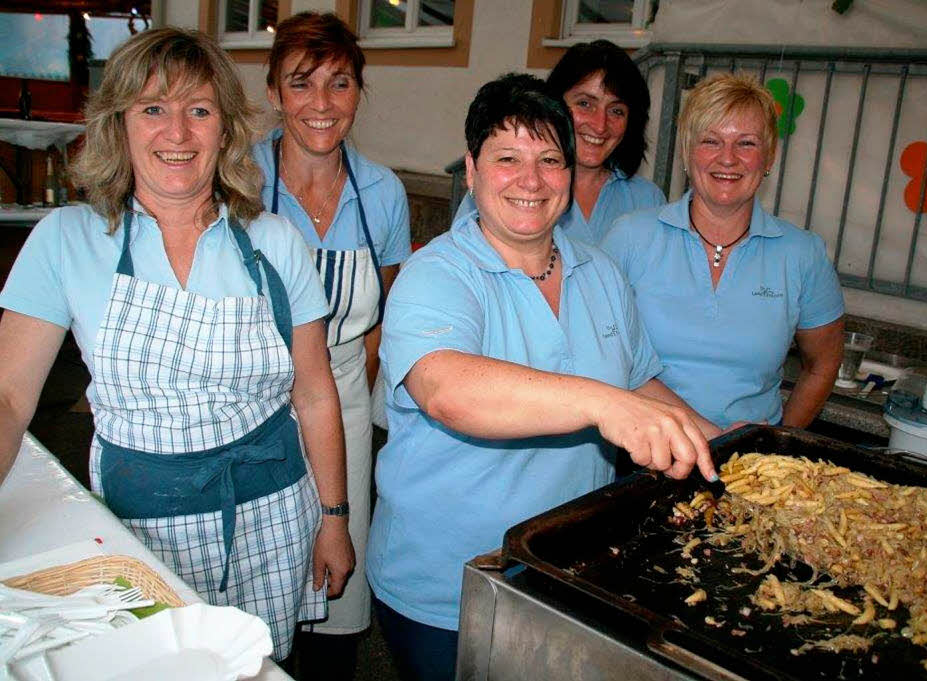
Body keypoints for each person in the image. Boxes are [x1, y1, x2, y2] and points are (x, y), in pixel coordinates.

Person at [0, 28, 353, 660]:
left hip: (273, 512)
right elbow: (7, 395)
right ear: (120, 124)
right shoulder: (67, 239)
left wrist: (334, 518)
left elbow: (316, 393)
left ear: (225, 128)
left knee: (255, 664)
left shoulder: (274, 242)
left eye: (199, 110)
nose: (178, 133)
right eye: (153, 109)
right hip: (138, 525)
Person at [365, 74, 721, 681]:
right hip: (451, 582)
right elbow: (448, 390)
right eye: (508, 159)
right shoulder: (437, 274)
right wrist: (602, 404)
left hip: (568, 572)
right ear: (472, 171)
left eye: (551, 160)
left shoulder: (601, 272)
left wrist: (727, 446)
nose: (531, 181)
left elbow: (637, 385)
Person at [252, 11, 410, 658]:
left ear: (359, 93)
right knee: (257, 598)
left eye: (339, 84)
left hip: (342, 397)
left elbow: (383, 315)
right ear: (273, 93)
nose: (321, 104)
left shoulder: (383, 193)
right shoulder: (237, 182)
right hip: (251, 403)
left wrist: (348, 399)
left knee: (334, 587)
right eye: (301, 83)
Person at [601, 74, 844, 430]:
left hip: (746, 471)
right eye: (710, 141)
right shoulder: (631, 238)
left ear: (769, 157)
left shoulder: (803, 255)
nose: (727, 158)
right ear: (687, 152)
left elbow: (823, 364)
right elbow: (598, 351)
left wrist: (775, 446)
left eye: (745, 143)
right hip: (640, 459)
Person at [455, 39, 665, 245]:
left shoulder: (647, 200)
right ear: (554, 106)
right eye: (585, 104)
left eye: (616, 111)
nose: (600, 125)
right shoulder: (499, 191)